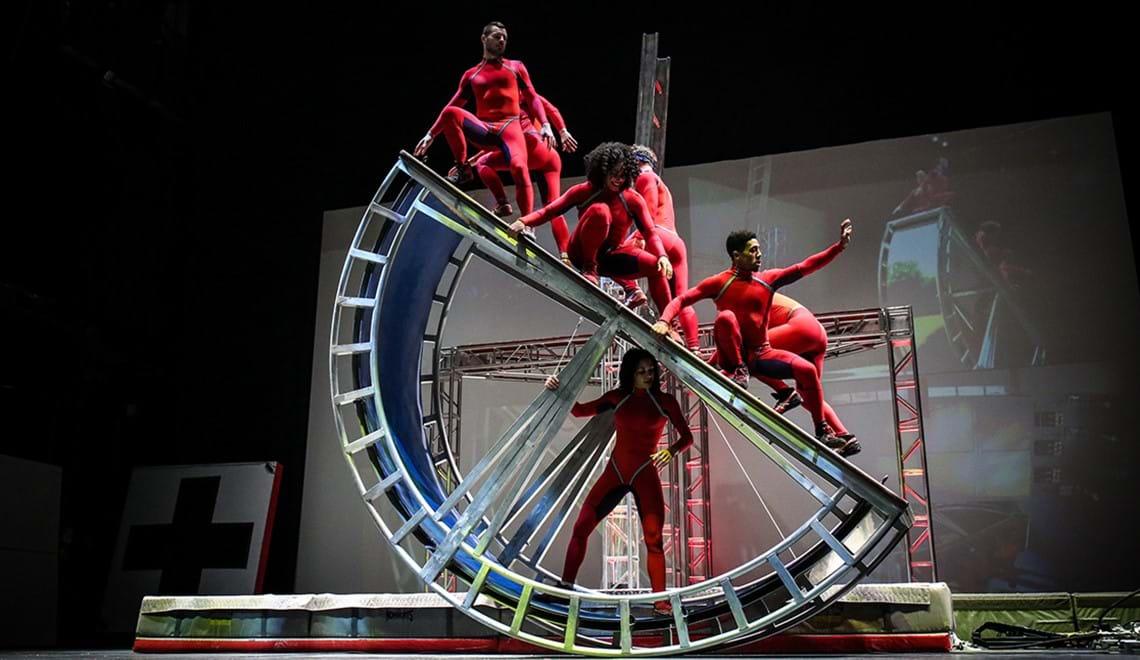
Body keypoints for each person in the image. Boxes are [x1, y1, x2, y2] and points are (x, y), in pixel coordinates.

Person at [652, 221, 859, 456]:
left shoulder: (767, 280)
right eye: (753, 250)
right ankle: (742, 372)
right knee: (726, 318)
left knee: (808, 371)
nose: (759, 255)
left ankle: (823, 431)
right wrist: (664, 320)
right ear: (736, 255)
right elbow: (680, 300)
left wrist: (838, 247)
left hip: (762, 354)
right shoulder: (719, 282)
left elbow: (806, 266)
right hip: (736, 357)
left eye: (759, 250)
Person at [545, 348, 692, 615]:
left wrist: (671, 451)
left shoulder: (665, 401)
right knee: (581, 527)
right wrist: (558, 390)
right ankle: (565, 588)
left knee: (654, 540)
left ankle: (660, 602)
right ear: (630, 374)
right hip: (617, 470)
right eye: (641, 371)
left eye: (651, 370)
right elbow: (579, 411)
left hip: (644, 472)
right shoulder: (618, 397)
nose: (648, 376)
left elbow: (687, 438)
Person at [507, 142, 675, 312]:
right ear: (603, 171)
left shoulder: (633, 199)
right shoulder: (584, 191)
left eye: (623, 175)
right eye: (614, 174)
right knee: (600, 210)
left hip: (610, 258)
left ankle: (668, 322)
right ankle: (590, 268)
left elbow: (650, 232)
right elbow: (550, 211)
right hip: (581, 254)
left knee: (656, 266)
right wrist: (523, 222)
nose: (618, 179)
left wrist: (662, 255)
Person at [413, 21, 555, 218]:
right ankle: (462, 170)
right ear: (483, 39)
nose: (502, 41)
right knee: (450, 113)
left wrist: (546, 124)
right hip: (485, 129)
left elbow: (532, 97)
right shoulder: (471, 75)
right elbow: (452, 104)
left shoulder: (516, 67)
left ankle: (527, 223)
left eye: (504, 38)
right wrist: (431, 135)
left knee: (519, 167)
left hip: (510, 127)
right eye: (497, 36)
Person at [462, 93, 575, 255]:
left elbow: (550, 109)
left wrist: (562, 131)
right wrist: (562, 132)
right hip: (550, 156)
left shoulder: (519, 98)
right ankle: (566, 256)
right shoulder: (513, 104)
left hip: (532, 148)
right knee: (552, 207)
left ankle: (505, 206)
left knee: (485, 163)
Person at [614, 145, 700, 349]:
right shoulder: (662, 185)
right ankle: (694, 346)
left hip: (658, 234)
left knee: (610, 258)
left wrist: (640, 236)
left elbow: (650, 212)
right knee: (682, 298)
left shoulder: (646, 177)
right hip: (676, 241)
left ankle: (632, 290)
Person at [756, 292, 860, 455]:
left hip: (801, 328)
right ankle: (845, 437)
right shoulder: (757, 293)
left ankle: (785, 392)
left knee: (749, 355)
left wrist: (713, 365)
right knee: (807, 396)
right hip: (816, 333)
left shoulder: (742, 301)